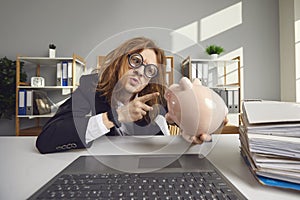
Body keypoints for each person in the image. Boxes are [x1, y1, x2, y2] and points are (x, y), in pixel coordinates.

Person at [36, 37, 213, 154]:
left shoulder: (155, 97)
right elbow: (47, 140)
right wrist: (115, 116)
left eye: (150, 70)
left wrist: (194, 130)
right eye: (136, 61)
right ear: (120, 60)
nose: (140, 72)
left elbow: (188, 119)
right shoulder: (90, 87)